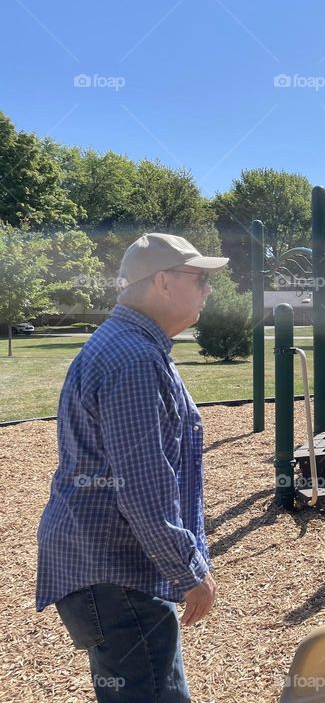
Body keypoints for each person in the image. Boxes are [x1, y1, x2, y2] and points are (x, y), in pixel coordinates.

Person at [36, 233, 228, 702]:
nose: (208, 289)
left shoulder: (130, 345)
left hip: (108, 570)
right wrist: (189, 571)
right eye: (199, 278)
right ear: (162, 282)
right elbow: (142, 486)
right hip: (116, 575)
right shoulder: (136, 359)